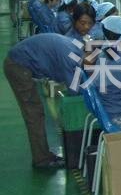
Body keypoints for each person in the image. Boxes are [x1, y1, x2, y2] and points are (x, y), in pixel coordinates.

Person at [4, 32, 84, 168]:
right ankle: (42, 159)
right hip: (18, 66)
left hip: (20, 60)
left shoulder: (75, 45)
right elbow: (73, 90)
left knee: (35, 113)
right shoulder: (70, 57)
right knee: (34, 114)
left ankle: (43, 155)